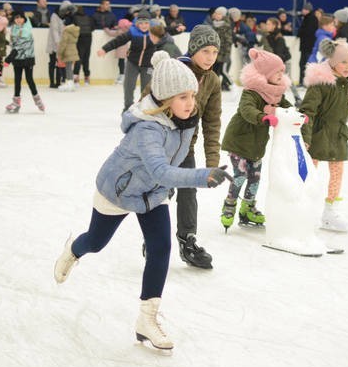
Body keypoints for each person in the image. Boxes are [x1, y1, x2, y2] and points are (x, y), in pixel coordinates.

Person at [53, 50, 233, 350]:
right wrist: (204, 176)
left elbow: (167, 169)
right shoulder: (147, 128)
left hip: (152, 194)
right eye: (183, 97)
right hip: (120, 191)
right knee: (96, 242)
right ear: (165, 99)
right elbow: (162, 170)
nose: (191, 103)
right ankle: (73, 249)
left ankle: (147, 320)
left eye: (193, 95)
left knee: (161, 247)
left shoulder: (186, 119)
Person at [169, 25, 222, 269]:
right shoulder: (176, 70)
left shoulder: (212, 81)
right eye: (205, 51)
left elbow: (212, 122)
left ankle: (187, 240)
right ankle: (154, 236)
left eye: (215, 51)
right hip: (163, 145)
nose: (211, 57)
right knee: (161, 193)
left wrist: (212, 162)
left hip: (186, 147)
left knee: (188, 191)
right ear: (193, 49)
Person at [220, 49, 291, 231]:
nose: (280, 75)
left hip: (256, 144)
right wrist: (263, 117)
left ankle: (248, 207)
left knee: (255, 178)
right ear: (266, 73)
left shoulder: (276, 94)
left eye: (282, 72)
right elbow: (247, 110)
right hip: (239, 141)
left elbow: (287, 107)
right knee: (241, 175)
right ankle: (229, 206)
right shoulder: (251, 92)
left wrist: (298, 115)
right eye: (277, 72)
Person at [300, 39, 348, 232]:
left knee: (337, 173)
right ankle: (302, 208)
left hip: (338, 134)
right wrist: (306, 138)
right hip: (318, 134)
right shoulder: (320, 83)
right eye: (344, 62)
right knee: (310, 173)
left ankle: (330, 211)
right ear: (333, 62)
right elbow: (307, 111)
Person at [99, 10, 156, 110]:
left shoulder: (154, 33)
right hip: (132, 64)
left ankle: (145, 109)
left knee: (146, 89)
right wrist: (105, 49)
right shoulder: (132, 32)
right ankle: (128, 108)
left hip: (148, 65)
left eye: (146, 23)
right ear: (137, 24)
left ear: (150, 23)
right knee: (129, 87)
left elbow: (167, 32)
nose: (144, 25)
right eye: (141, 23)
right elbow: (118, 41)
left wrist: (177, 29)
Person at [4, 11, 44, 113]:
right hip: (17, 59)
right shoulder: (14, 29)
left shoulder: (26, 30)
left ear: (24, 19)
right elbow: (14, 44)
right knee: (17, 80)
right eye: (16, 18)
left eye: (20, 17)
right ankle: (16, 102)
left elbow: (20, 46)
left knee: (29, 79)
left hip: (27, 58)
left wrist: (9, 58)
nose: (18, 20)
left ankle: (38, 100)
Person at [210, 6, 233, 91]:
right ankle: (214, 88)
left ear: (223, 15)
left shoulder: (226, 26)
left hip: (223, 54)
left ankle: (232, 85)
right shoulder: (213, 25)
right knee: (214, 72)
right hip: (214, 53)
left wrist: (227, 54)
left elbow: (228, 42)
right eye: (215, 13)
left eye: (218, 13)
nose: (215, 15)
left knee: (223, 71)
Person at [296, 2, 318, 87]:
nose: (302, 10)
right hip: (306, 46)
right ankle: (303, 81)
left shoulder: (311, 19)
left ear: (308, 10)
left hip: (308, 46)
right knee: (302, 64)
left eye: (304, 9)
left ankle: (305, 82)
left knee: (305, 64)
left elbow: (308, 32)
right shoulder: (307, 18)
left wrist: (300, 33)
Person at [57, 12, 80, 91]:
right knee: (69, 67)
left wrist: (59, 52)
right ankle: (70, 82)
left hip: (67, 51)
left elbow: (63, 43)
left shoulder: (66, 31)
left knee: (68, 68)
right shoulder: (75, 30)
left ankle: (70, 83)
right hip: (73, 50)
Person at [72, 6, 95, 84]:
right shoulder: (88, 17)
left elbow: (72, 28)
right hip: (88, 37)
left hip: (80, 37)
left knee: (78, 57)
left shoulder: (74, 17)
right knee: (86, 57)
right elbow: (93, 27)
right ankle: (86, 77)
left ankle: (76, 76)